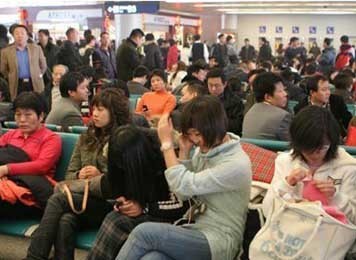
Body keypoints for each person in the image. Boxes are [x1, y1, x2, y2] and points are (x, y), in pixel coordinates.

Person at [116, 95, 252, 260]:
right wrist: (184, 152)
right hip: (195, 228)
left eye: (197, 134)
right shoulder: (207, 150)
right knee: (152, 258)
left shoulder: (236, 164)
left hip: (220, 240)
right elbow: (183, 195)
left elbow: (182, 185)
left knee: (144, 232)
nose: (194, 140)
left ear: (215, 127)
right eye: (190, 134)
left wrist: (166, 144)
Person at [26, 88, 131, 260]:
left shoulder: (123, 139)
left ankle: (35, 257)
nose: (95, 114)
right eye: (93, 109)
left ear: (114, 112)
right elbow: (69, 175)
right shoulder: (85, 137)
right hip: (82, 198)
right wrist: (79, 175)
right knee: (66, 220)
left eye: (100, 110)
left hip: (109, 203)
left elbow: (121, 181)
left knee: (59, 199)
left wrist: (99, 174)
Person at [263, 106, 356, 227]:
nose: (314, 155)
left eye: (321, 148)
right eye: (307, 149)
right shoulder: (285, 161)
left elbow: (353, 220)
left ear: (332, 142)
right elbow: (267, 210)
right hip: (287, 234)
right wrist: (286, 184)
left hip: (330, 238)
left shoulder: (348, 167)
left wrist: (336, 197)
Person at [0, 92, 61, 217]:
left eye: (28, 115)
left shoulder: (50, 139)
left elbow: (42, 166)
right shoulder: (10, 135)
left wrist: (7, 169)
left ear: (41, 116)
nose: (22, 120)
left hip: (31, 192)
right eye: (18, 114)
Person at [0, 24, 47, 101]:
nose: (19, 36)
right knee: (18, 103)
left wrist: (39, 75)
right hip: (17, 83)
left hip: (34, 82)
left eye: (22, 33)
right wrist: (11, 76)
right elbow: (3, 69)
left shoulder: (36, 48)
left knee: (37, 103)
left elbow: (43, 66)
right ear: (13, 36)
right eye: (17, 33)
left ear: (27, 36)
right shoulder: (6, 51)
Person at [243, 72, 292, 141]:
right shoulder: (282, 116)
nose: (285, 94)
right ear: (268, 97)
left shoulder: (250, 112)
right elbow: (293, 144)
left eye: (284, 90)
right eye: (280, 91)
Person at [207, 68, 244, 136]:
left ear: (225, 84)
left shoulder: (235, 102)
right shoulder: (202, 99)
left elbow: (237, 126)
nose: (213, 89)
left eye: (217, 85)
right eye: (210, 85)